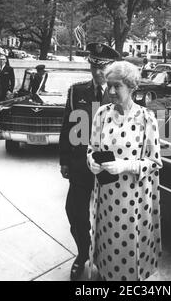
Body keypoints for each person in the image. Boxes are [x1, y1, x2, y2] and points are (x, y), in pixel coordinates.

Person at [87, 61, 163, 281]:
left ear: (131, 87)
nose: (110, 91)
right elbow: (92, 148)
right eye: (108, 85)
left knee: (130, 254)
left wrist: (126, 165)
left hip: (133, 201)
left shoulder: (146, 118)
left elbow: (154, 162)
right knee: (106, 250)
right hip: (106, 199)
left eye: (116, 86)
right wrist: (90, 160)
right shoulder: (101, 114)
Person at [59, 42, 120, 281]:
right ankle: (83, 252)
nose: (97, 72)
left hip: (108, 165)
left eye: (102, 67)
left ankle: (104, 259)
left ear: (112, 66)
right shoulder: (77, 91)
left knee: (107, 216)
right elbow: (68, 126)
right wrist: (64, 160)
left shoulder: (120, 92)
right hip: (80, 164)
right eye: (93, 65)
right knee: (74, 212)